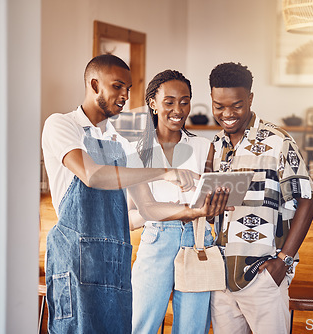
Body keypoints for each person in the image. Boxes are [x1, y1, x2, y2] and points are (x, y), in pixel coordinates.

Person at [41, 54, 228, 333]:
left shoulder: (120, 140)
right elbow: (92, 175)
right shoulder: (62, 125)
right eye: (117, 86)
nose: (125, 96)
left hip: (114, 256)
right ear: (94, 85)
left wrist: (197, 211)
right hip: (76, 258)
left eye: (128, 89)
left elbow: (149, 209)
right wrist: (165, 173)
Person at [207, 62, 313, 334]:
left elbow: (308, 199)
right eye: (218, 106)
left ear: (250, 99)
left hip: (262, 274)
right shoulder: (214, 146)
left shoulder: (278, 141)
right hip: (220, 278)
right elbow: (213, 213)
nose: (227, 114)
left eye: (236, 105)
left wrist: (284, 261)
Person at [130, 70, 225, 334]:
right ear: (153, 103)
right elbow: (127, 218)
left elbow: (213, 202)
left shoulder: (205, 147)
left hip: (197, 241)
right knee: (141, 325)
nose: (178, 109)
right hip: (156, 240)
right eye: (169, 101)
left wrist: (217, 203)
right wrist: (165, 212)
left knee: (192, 328)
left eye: (185, 101)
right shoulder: (136, 153)